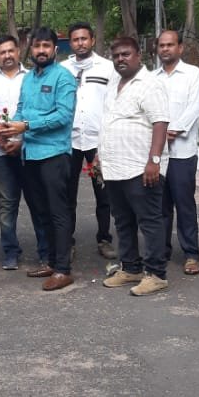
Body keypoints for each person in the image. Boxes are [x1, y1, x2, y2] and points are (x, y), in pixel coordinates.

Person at [0, 26, 78, 291]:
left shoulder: (64, 77)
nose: (41, 51)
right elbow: (21, 110)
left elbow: (63, 116)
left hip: (54, 154)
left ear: (55, 49)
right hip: (29, 154)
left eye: (46, 46)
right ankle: (51, 262)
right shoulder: (29, 78)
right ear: (30, 49)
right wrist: (12, 130)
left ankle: (64, 269)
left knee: (58, 212)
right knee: (41, 212)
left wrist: (27, 126)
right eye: (37, 46)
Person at [98, 37, 172, 296]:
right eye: (116, 55)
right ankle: (130, 268)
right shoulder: (113, 84)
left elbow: (160, 123)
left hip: (141, 167)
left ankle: (156, 274)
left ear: (139, 55)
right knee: (122, 220)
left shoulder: (150, 84)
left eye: (126, 54)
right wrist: (99, 156)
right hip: (115, 167)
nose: (120, 59)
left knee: (149, 221)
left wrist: (154, 161)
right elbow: (108, 122)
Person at [0, 34, 48, 270]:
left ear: (18, 51)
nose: (7, 55)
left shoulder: (32, 78)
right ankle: (10, 251)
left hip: (29, 150)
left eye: (10, 51)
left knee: (37, 201)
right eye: (2, 52)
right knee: (7, 203)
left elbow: (39, 112)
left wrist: (21, 140)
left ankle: (45, 252)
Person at [154, 29, 199, 276]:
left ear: (180, 48)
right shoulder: (152, 78)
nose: (165, 49)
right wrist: (156, 137)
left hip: (182, 152)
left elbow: (194, 108)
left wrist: (168, 131)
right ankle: (161, 251)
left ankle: (191, 253)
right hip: (158, 154)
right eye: (162, 45)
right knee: (160, 205)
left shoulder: (193, 74)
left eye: (170, 45)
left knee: (184, 204)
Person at [61, 22, 116, 259]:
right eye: (76, 39)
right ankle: (67, 241)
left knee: (103, 193)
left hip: (97, 142)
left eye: (84, 38)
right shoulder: (62, 69)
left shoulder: (107, 68)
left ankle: (104, 239)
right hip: (69, 142)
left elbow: (113, 102)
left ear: (92, 40)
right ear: (70, 43)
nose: (80, 43)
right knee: (67, 194)